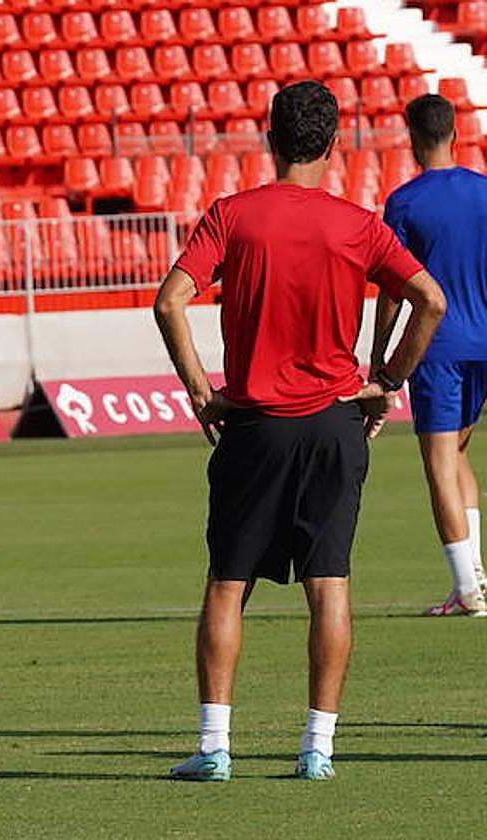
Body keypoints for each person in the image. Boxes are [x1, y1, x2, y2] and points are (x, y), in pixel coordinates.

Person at [153, 81, 446, 782]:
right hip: (333, 424)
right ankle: (318, 749)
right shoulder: (357, 223)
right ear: (334, 140)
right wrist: (390, 381)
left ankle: (215, 746)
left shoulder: (233, 215)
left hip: (254, 426)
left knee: (228, 583)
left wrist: (201, 393)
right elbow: (428, 299)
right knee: (331, 584)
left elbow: (170, 302)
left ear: (269, 136)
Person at [373, 93, 487, 617]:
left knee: (439, 464)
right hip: (484, 341)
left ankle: (467, 591)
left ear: (413, 140)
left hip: (438, 347)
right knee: (459, 454)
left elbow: (394, 289)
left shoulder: (405, 202)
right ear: (455, 135)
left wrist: (380, 356)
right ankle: (474, 578)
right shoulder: (484, 191)